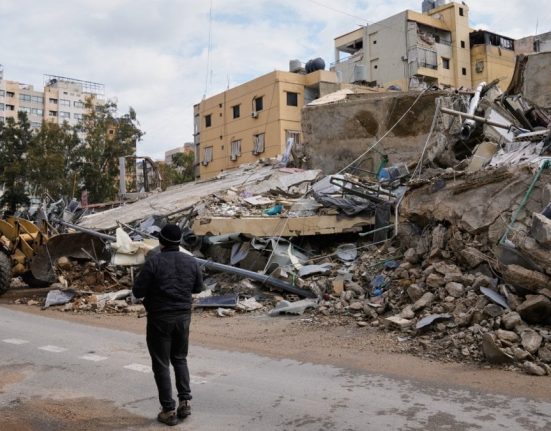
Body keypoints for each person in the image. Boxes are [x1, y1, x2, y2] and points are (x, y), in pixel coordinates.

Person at [133, 224, 203, 426]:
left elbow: (138, 291)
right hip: (183, 317)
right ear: (179, 242)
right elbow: (198, 288)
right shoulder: (191, 261)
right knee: (180, 358)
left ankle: (168, 410)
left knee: (161, 363)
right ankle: (185, 402)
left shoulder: (154, 262)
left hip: (160, 318)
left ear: (161, 242)